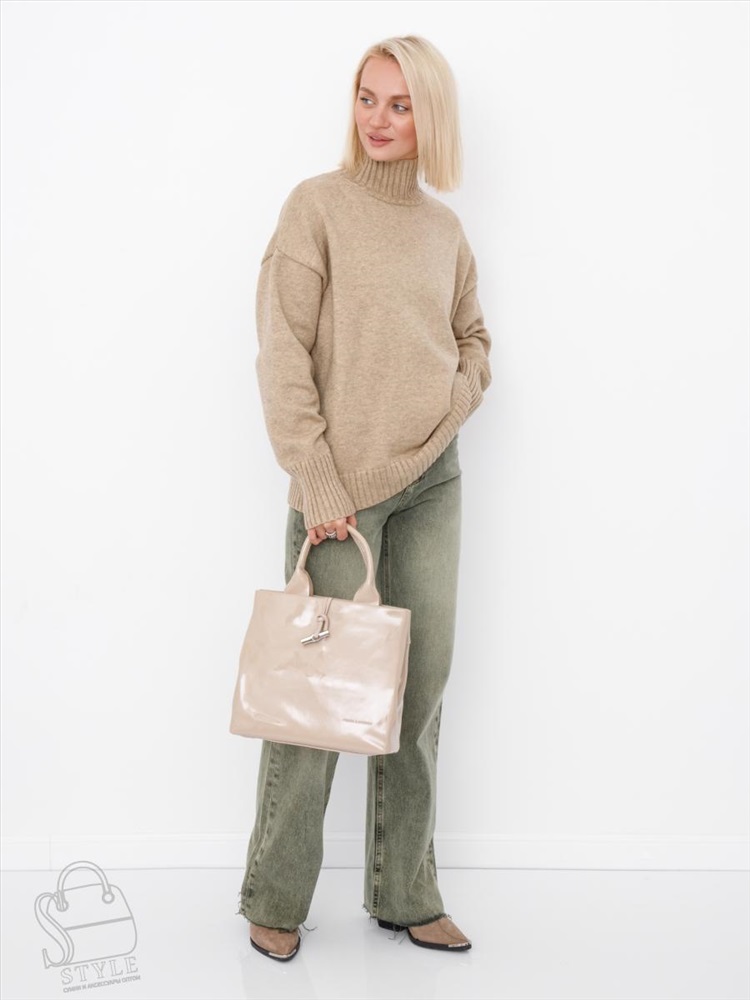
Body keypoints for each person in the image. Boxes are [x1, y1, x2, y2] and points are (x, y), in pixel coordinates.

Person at [237, 34, 492, 961]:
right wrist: (315, 476)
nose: (379, 119)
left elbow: (474, 338)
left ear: (431, 118)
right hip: (340, 497)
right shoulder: (316, 209)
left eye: (401, 104)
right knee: (311, 700)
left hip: (434, 483)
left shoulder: (444, 232)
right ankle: (274, 897)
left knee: (419, 691)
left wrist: (458, 400)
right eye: (367, 98)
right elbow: (281, 352)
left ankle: (406, 893)